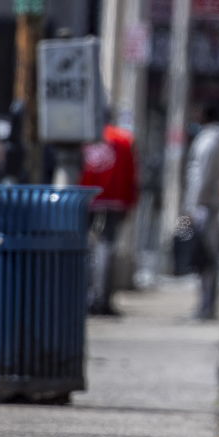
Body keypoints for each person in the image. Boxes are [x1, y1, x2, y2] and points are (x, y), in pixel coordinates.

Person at [81, 115, 138, 316]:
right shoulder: (123, 140)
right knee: (107, 247)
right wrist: (130, 201)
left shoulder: (85, 138)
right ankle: (102, 297)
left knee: (84, 246)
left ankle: (86, 295)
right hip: (115, 199)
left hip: (86, 198)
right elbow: (131, 174)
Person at [184, 101, 219, 320]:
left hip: (204, 206)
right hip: (213, 204)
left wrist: (192, 208)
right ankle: (208, 305)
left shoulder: (208, 142)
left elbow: (200, 177)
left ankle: (206, 307)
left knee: (203, 257)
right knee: (209, 257)